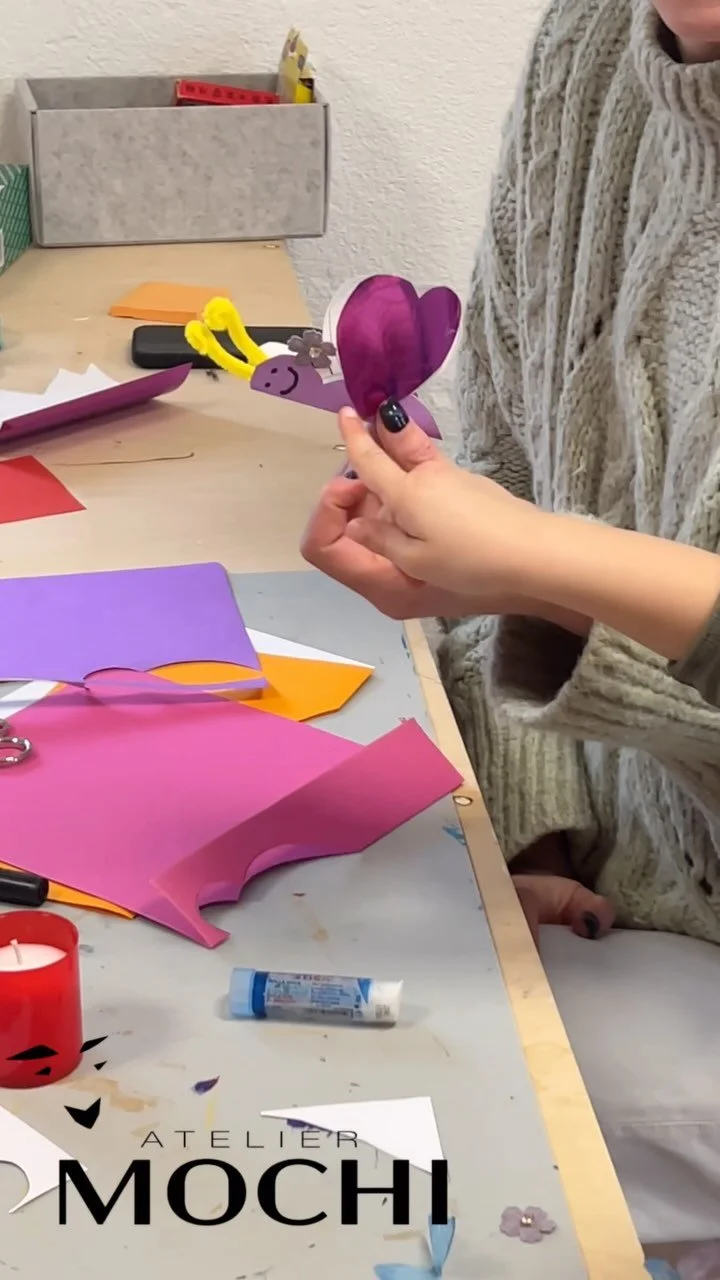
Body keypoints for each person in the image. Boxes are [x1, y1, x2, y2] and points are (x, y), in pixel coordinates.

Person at [302, 0, 720, 951]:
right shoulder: (590, 45)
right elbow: (511, 460)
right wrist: (534, 837)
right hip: (593, 897)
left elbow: (531, 537)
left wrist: (537, 561)